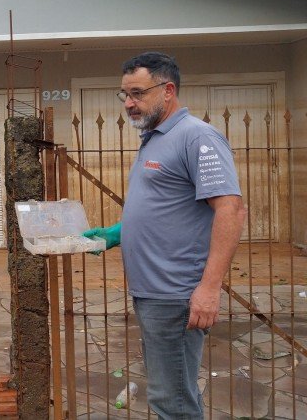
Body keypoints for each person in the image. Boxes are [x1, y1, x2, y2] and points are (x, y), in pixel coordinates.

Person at [83, 52, 247, 419]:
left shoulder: (197, 137)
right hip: (152, 290)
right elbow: (167, 209)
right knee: (174, 393)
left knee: (170, 402)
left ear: (168, 90)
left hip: (175, 293)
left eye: (138, 93)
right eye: (124, 95)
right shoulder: (154, 138)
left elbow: (231, 210)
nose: (128, 103)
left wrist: (208, 289)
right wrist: (117, 233)